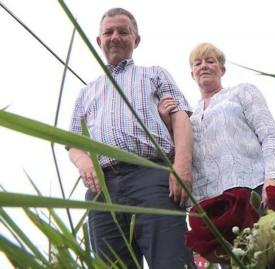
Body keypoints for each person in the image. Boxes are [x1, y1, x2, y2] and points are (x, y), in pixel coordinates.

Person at [68, 8, 194, 268]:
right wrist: (84, 163)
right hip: (102, 189)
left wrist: (182, 166)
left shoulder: (154, 74)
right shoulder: (86, 92)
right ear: (99, 41)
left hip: (151, 177)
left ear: (136, 40)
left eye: (123, 32)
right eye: (108, 32)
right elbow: (74, 143)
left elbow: (180, 117)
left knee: (171, 261)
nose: (115, 37)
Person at [159, 42, 275, 208]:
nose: (204, 66)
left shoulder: (242, 92)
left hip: (252, 191)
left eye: (210, 61)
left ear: (222, 69)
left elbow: (270, 136)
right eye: (197, 63)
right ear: (192, 73)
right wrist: (168, 123)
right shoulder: (189, 117)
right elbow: (181, 159)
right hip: (207, 204)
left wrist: (274, 178)